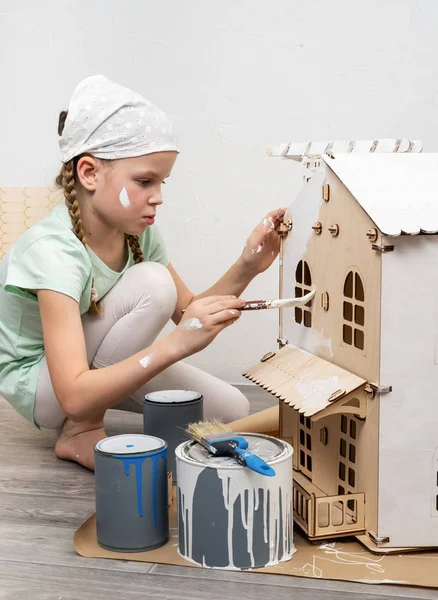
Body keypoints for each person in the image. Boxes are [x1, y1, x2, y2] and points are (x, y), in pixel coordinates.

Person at [0, 75, 286, 470]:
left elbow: (188, 315)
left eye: (162, 181)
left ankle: (92, 411)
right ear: (89, 173)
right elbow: (72, 394)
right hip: (47, 389)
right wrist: (173, 347)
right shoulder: (53, 251)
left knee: (232, 410)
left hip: (96, 364)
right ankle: (79, 430)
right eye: (145, 181)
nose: (159, 196)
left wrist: (247, 266)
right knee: (153, 282)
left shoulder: (137, 233)